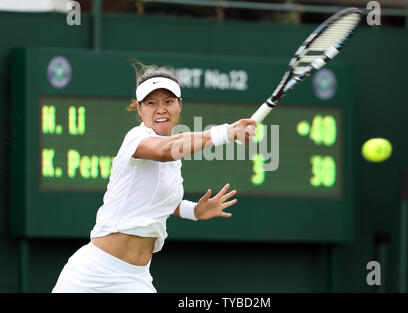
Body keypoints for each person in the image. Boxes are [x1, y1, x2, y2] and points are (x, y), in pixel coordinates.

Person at [52, 63, 257, 293]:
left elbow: (159, 200)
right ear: (139, 110)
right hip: (92, 274)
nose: (160, 109)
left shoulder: (174, 155)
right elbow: (164, 150)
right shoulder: (137, 138)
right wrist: (225, 132)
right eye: (151, 103)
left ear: (180, 105)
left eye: (168, 101)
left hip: (135, 279)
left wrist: (194, 211)